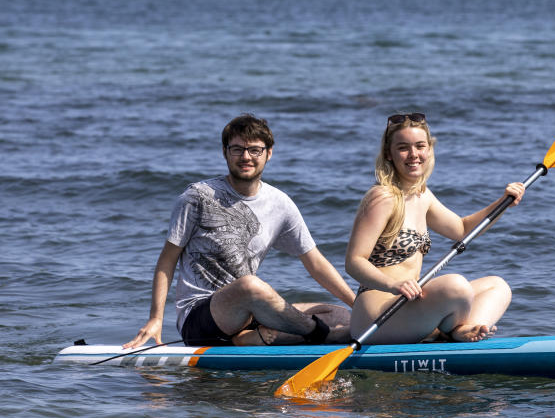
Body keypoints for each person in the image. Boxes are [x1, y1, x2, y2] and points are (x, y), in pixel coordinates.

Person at [124, 114, 355, 349]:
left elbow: (315, 262)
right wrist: (156, 318)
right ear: (225, 152)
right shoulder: (197, 197)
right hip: (201, 318)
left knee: (340, 315)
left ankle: (255, 339)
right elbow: (167, 260)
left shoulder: (280, 203)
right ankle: (322, 335)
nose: (246, 157)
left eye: (255, 150)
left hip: (248, 314)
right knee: (250, 285)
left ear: (269, 153)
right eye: (237, 149)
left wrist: (358, 304)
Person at [345, 112, 523, 344]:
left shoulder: (423, 195)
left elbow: (461, 229)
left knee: (497, 286)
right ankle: (452, 332)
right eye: (403, 147)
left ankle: (460, 330)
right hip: (377, 314)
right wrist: (393, 284)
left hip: (409, 305)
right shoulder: (383, 196)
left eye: (420, 146)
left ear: (429, 149)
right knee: (455, 285)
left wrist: (503, 202)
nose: (413, 155)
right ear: (389, 154)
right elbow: (354, 261)